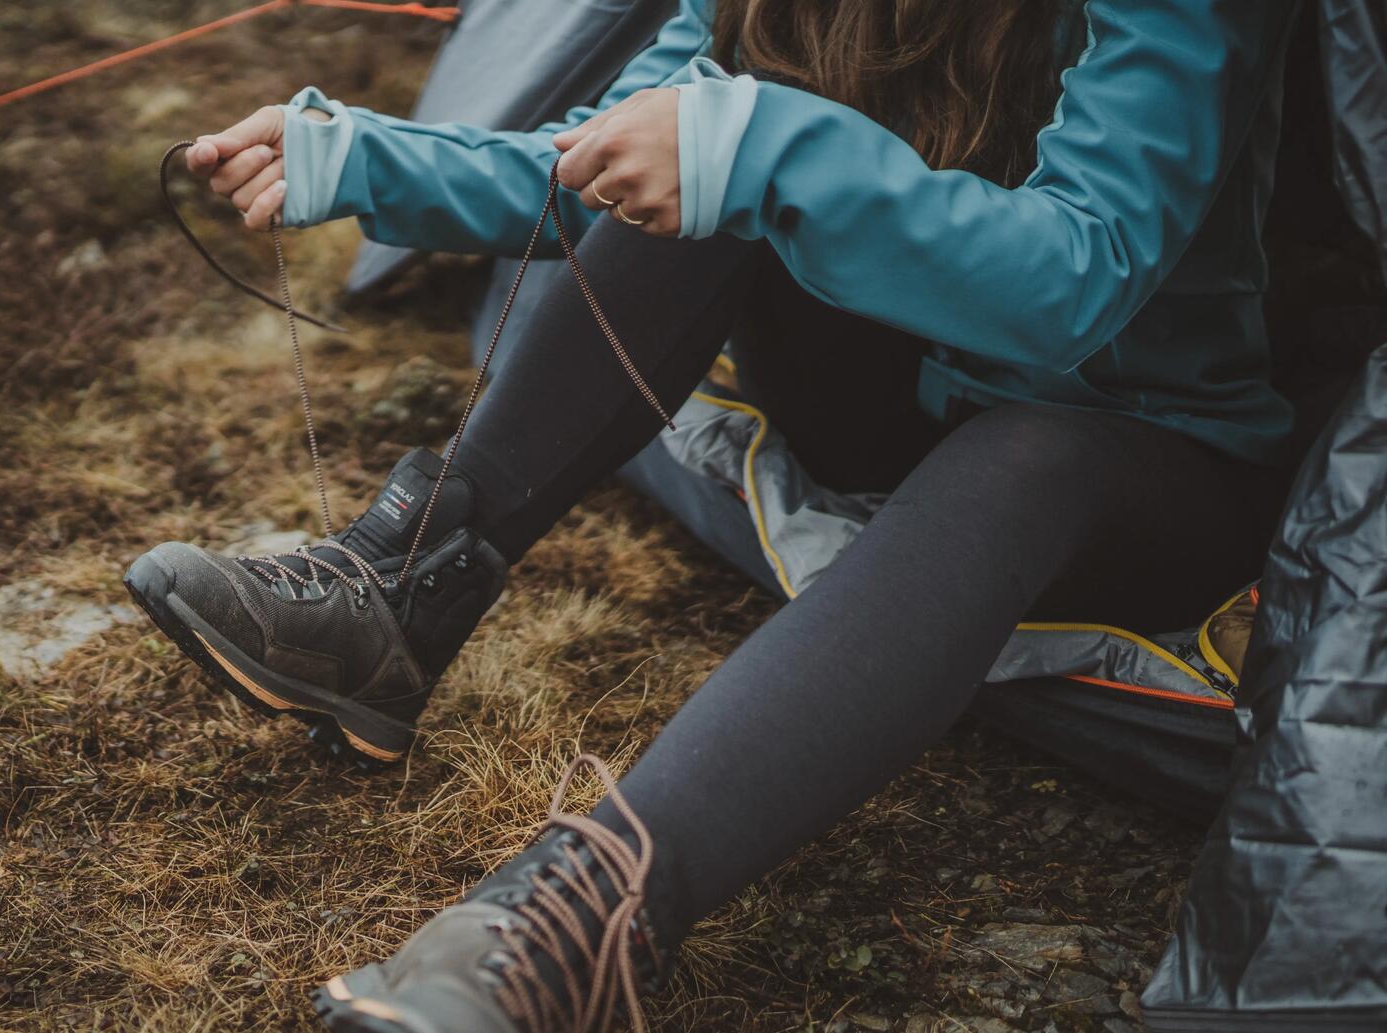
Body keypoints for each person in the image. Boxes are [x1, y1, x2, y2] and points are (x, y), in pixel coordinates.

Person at [121, 0, 1301, 1028]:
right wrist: (366, 162)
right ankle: (396, 600)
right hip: (906, 382)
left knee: (1025, 456)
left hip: (1140, 449)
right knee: (680, 184)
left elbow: (1079, 280)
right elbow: (599, 159)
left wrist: (761, 143)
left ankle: (582, 919)